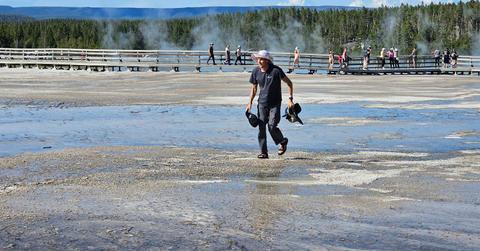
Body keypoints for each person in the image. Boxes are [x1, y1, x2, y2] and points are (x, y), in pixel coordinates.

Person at [246, 50, 293, 159]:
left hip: (275, 104)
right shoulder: (255, 72)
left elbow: (289, 83)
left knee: (271, 126)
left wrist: (290, 99)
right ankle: (264, 152)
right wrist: (250, 103)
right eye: (258, 59)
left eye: (261, 59)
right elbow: (254, 89)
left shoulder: (276, 71)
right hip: (262, 103)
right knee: (261, 127)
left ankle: (282, 141)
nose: (259, 61)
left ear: (267, 60)